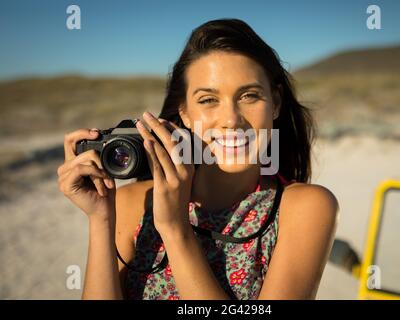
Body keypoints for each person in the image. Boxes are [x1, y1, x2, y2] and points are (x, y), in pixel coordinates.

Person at [57, 18, 339, 300]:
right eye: (208, 100)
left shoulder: (303, 209)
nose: (231, 120)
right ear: (185, 113)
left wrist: (175, 229)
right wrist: (101, 218)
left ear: (275, 103)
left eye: (249, 96)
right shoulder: (133, 203)